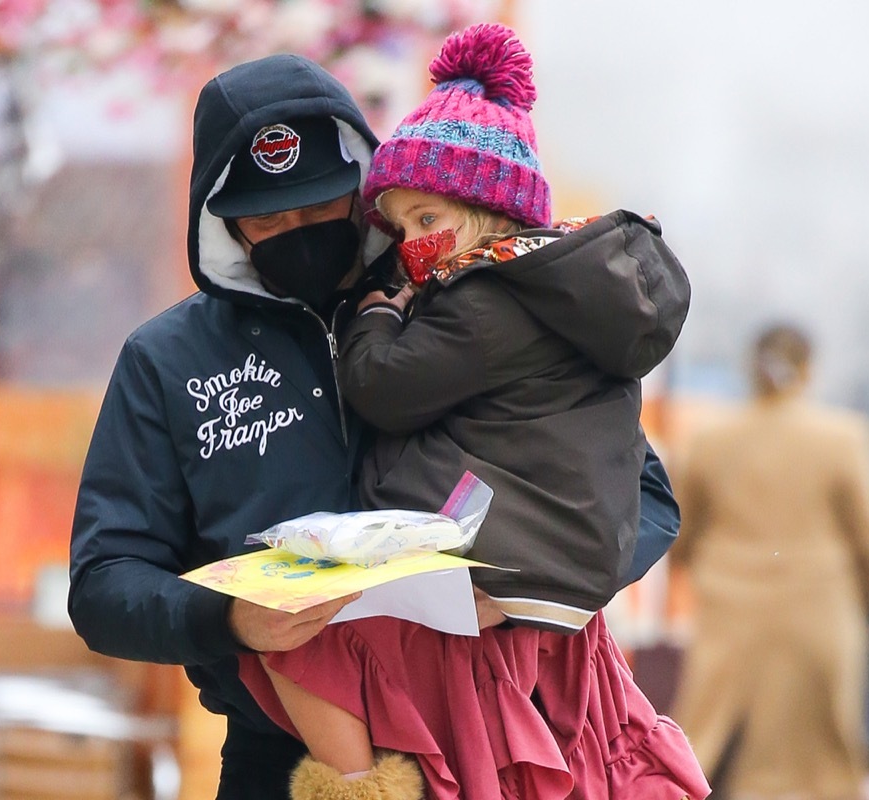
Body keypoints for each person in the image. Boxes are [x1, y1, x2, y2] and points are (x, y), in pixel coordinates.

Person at [69, 48, 685, 800]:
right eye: (269, 218)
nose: (300, 230)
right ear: (223, 223)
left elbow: (643, 495)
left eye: (322, 205)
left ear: (363, 192)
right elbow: (104, 585)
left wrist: (529, 589)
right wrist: (226, 617)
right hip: (291, 759)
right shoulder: (168, 361)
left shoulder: (465, 299)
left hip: (502, 727)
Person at [236, 23, 709, 800]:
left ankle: (357, 788)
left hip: (495, 562)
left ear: (491, 211)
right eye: (402, 224)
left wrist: (377, 312)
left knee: (295, 626)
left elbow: (382, 386)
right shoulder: (565, 301)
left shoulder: (484, 302)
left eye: (430, 220)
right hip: (551, 565)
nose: (414, 244)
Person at [671, 323, 869, 799]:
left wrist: (691, 570)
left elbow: (681, 529)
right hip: (821, 606)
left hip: (729, 607)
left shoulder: (711, 439)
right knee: (822, 746)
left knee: (709, 734)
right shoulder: (845, 437)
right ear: (808, 368)